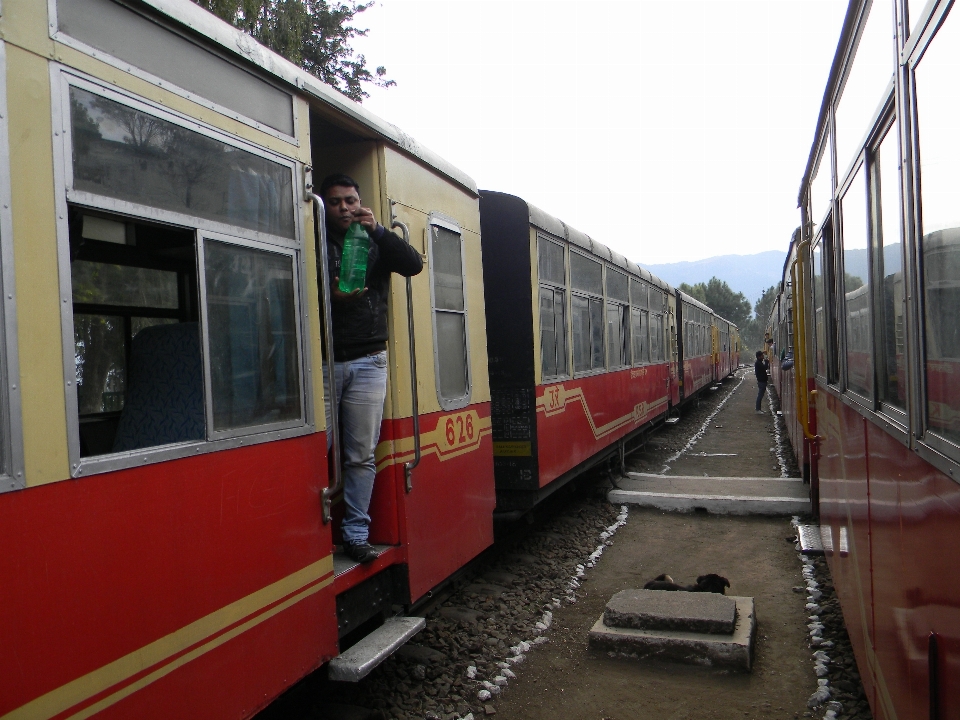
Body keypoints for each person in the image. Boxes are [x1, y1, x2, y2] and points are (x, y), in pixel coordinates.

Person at [320, 174, 423, 563]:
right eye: (334, 202)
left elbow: (413, 265)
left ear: (360, 203)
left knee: (361, 455)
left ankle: (356, 534)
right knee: (316, 451)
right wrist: (330, 296)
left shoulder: (374, 241)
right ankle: (316, 534)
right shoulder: (313, 239)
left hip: (368, 360)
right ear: (324, 207)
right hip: (324, 360)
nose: (344, 208)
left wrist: (380, 230)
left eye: (350, 200)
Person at [755, 350, 769, 414]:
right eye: (762, 355)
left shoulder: (759, 362)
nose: (763, 356)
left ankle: (759, 409)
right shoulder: (758, 363)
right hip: (761, 381)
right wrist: (766, 361)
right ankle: (758, 409)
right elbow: (765, 368)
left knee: (760, 395)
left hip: (762, 381)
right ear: (759, 357)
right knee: (760, 395)